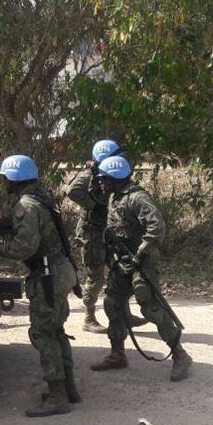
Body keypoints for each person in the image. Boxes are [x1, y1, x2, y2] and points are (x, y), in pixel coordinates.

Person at [0, 155, 79, 416]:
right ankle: (68, 388)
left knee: (43, 333)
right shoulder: (40, 198)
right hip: (59, 271)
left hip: (47, 276)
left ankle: (57, 396)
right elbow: (13, 224)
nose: (3, 182)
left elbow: (25, 246)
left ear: (13, 178)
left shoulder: (27, 205)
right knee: (56, 330)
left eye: (5, 178)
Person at [90, 155, 192, 382]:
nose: (101, 183)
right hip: (122, 261)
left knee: (151, 308)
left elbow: (157, 226)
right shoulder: (115, 197)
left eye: (104, 179)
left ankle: (180, 355)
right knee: (112, 304)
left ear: (116, 177)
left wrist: (141, 252)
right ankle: (117, 355)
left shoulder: (137, 198)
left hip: (141, 262)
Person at [64, 139, 147, 333]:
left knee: (120, 272)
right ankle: (89, 317)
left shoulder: (113, 174)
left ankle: (125, 314)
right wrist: (96, 206)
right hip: (92, 232)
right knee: (95, 275)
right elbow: (72, 191)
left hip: (110, 231)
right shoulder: (90, 174)